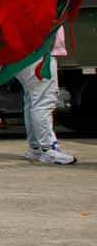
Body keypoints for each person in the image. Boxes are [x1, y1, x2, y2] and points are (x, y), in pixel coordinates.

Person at [18, 27, 77, 165]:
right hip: (39, 53)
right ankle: (48, 149)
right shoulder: (39, 5)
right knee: (43, 102)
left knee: (32, 101)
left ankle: (36, 148)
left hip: (26, 54)